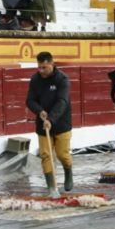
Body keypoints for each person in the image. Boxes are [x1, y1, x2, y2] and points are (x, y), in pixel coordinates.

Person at [26, 52, 73, 196]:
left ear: (51, 64)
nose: (41, 71)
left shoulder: (62, 79)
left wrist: (51, 119)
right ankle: (51, 187)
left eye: (44, 67)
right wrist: (40, 111)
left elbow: (62, 102)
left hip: (61, 122)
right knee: (46, 155)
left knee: (62, 154)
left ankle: (68, 171)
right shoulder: (35, 79)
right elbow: (30, 101)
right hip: (43, 123)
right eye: (39, 67)